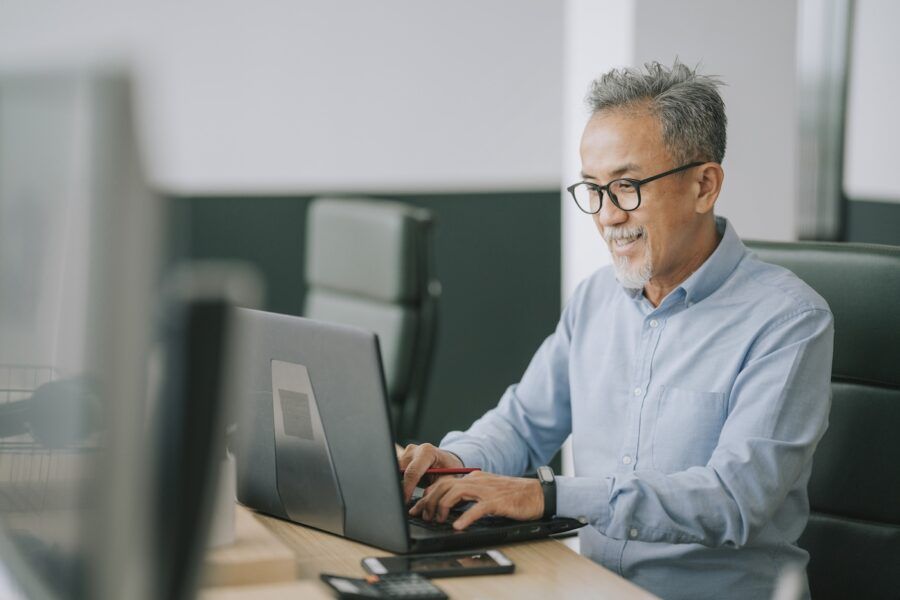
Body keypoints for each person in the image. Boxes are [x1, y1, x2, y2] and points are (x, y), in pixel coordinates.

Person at [398, 60, 834, 600]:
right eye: (592, 189)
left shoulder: (788, 320)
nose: (606, 215)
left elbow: (732, 500)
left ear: (704, 185)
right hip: (591, 588)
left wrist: (548, 496)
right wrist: (455, 463)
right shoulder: (596, 298)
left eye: (626, 187)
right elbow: (522, 424)